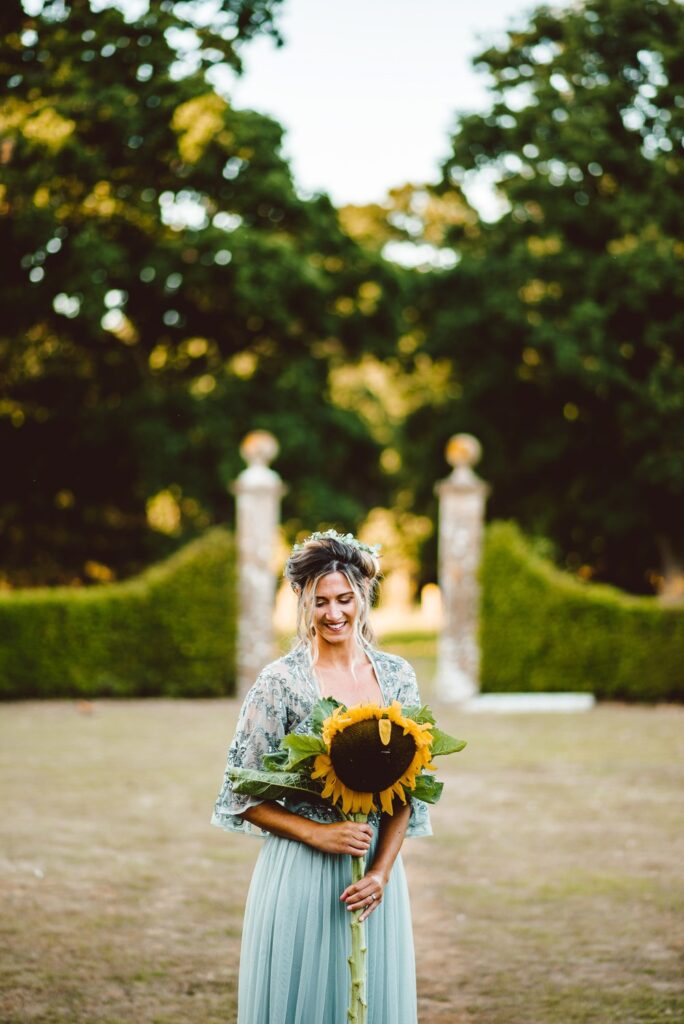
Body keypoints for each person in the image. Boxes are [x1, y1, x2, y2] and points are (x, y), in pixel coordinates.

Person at [211, 529, 431, 1024]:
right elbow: (238, 794)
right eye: (321, 602)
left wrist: (381, 872)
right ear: (301, 602)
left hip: (373, 875)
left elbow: (409, 790)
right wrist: (318, 833)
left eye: (345, 599)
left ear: (363, 597)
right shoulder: (280, 683)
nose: (334, 614)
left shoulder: (397, 677)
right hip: (301, 873)